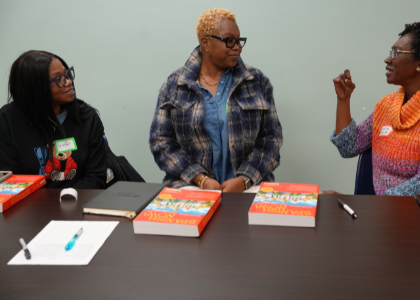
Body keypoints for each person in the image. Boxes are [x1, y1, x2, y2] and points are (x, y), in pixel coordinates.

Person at [150, 8, 282, 191]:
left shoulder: (257, 82)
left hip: (249, 184)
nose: (237, 47)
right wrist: (201, 180)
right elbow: (161, 142)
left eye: (238, 40)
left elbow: (271, 140)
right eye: (229, 40)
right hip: (190, 184)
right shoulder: (174, 85)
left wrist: (244, 179)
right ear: (206, 43)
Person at [329, 20, 420, 196]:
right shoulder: (387, 105)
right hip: (385, 212)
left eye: (396, 53)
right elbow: (349, 147)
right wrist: (343, 100)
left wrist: (368, 207)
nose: (387, 58)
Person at [0, 50, 119, 188]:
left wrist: (65, 200)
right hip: (28, 205)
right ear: (36, 87)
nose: (69, 82)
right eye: (58, 78)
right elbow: (11, 181)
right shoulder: (8, 120)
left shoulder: (87, 117)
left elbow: (95, 177)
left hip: (78, 202)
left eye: (67, 74)